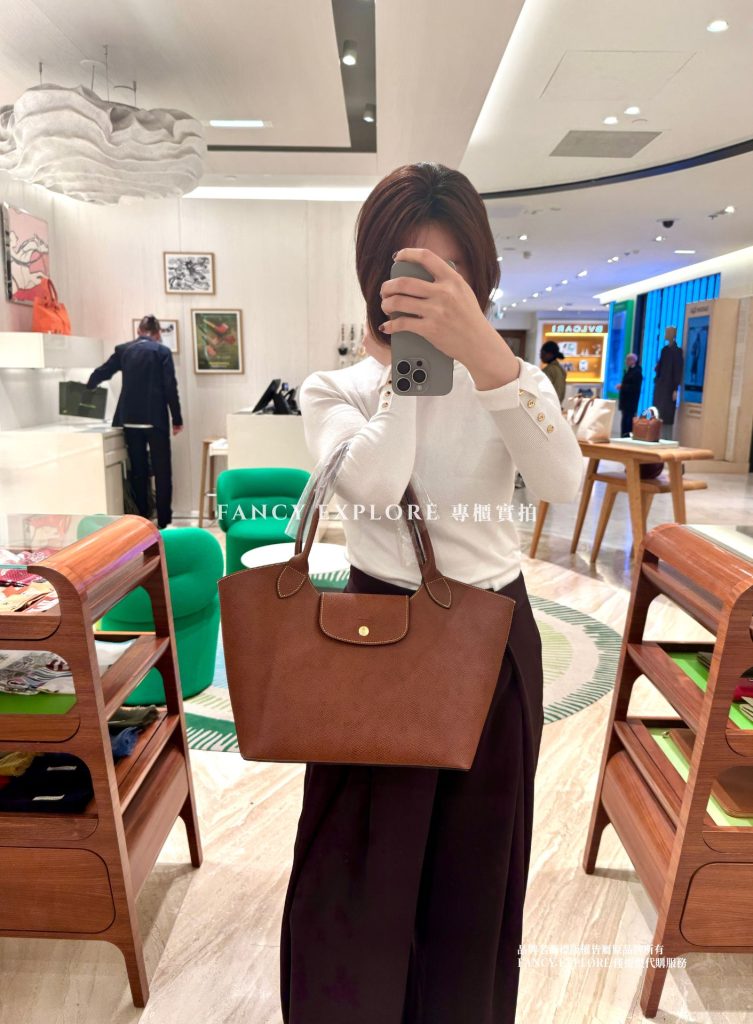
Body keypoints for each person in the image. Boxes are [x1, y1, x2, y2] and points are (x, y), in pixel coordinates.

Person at [280, 162, 584, 1024]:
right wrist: (412, 368)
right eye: (409, 270)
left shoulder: (510, 383)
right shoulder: (335, 388)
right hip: (372, 637)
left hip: (490, 641)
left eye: (448, 272)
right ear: (373, 277)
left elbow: (560, 482)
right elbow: (376, 485)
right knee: (357, 873)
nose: (429, 291)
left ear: (480, 277)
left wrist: (484, 355)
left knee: (473, 875)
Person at [86, 314, 183, 528]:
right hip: (155, 420)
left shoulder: (124, 350)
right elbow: (170, 387)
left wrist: (89, 386)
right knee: (162, 471)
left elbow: (103, 372)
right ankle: (164, 521)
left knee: (138, 472)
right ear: (157, 334)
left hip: (129, 420)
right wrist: (177, 419)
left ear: (139, 331)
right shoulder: (161, 352)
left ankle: (142, 521)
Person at [652, 325, 683, 440]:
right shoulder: (664, 350)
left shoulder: (677, 352)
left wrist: (675, 388)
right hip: (661, 386)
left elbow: (677, 370)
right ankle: (657, 436)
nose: (665, 334)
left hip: (669, 387)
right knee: (658, 412)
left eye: (667, 332)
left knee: (667, 414)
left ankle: (666, 438)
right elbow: (660, 367)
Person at [616, 352, 643, 436]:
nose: (626, 361)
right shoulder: (629, 371)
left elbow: (635, 387)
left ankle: (627, 436)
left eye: (628, 360)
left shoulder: (637, 372)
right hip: (625, 401)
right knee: (624, 420)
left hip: (631, 402)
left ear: (633, 361)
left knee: (628, 420)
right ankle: (623, 435)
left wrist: (623, 386)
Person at [539, 340, 567, 406]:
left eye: (543, 353)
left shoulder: (549, 370)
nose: (541, 356)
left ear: (550, 354)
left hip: (548, 406)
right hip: (557, 406)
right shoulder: (560, 369)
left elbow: (541, 390)